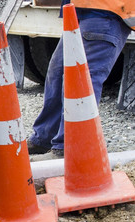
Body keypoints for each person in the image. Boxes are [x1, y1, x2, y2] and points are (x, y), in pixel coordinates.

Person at [27, 0, 134, 159]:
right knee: (57, 74)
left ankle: (69, 148)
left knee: (80, 80)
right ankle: (44, 138)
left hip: (106, 12)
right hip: (82, 11)